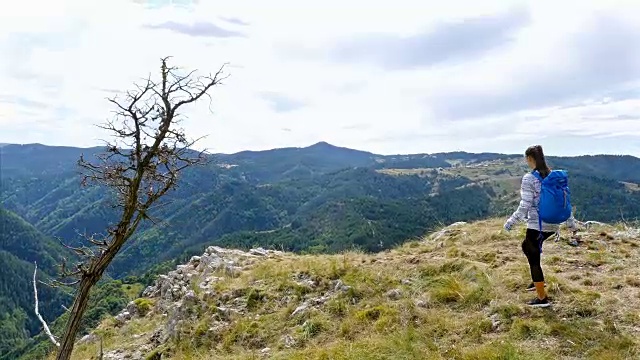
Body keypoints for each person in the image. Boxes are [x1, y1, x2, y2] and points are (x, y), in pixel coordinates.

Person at [503, 145, 578, 308]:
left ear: (530, 159)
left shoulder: (530, 178)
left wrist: (511, 221)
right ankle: (537, 281)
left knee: (533, 256)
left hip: (537, 225)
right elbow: (565, 203)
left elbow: (525, 205)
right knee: (527, 246)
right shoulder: (552, 177)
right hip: (553, 224)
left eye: (527, 159)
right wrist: (571, 225)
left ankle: (542, 298)